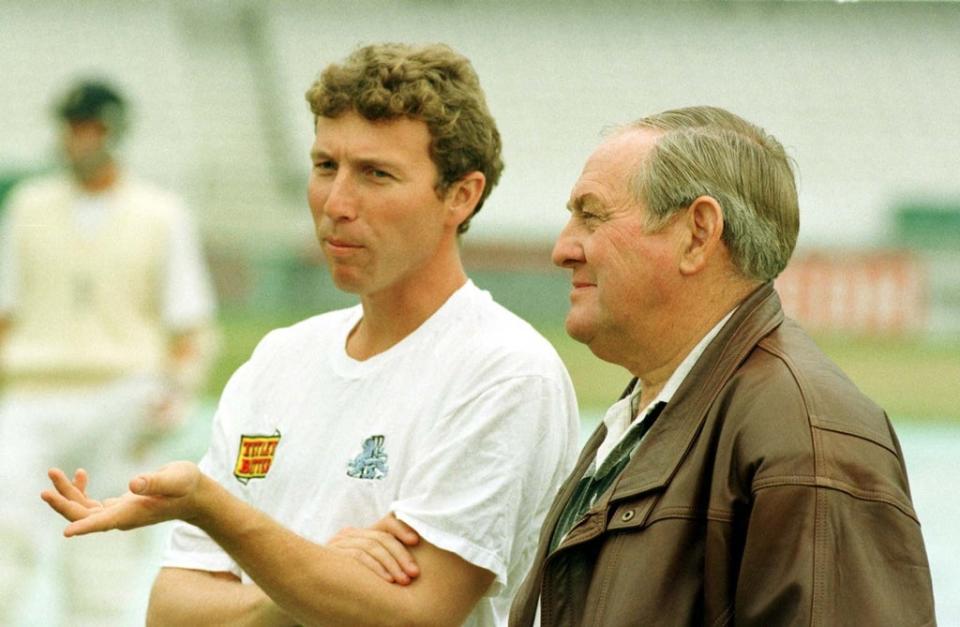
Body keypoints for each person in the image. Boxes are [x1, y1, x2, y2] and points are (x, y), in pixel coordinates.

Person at [43, 43, 579, 626]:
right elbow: (171, 613)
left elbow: (412, 617)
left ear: (461, 194)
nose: (337, 203)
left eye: (376, 174)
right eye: (325, 166)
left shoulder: (503, 370)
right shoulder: (279, 358)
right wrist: (310, 580)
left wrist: (215, 509)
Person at [505, 107, 936, 625]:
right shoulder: (653, 411)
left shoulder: (806, 440)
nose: (562, 249)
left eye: (591, 215)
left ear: (698, 233)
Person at [0, 80, 218, 626]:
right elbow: (6, 312)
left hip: (124, 394)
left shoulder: (159, 213)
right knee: (4, 532)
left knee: (101, 548)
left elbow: (188, 323)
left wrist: (175, 392)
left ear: (114, 134)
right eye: (70, 128)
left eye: (89, 128)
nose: (77, 140)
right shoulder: (28, 207)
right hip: (35, 393)